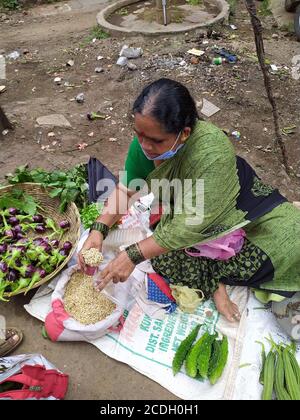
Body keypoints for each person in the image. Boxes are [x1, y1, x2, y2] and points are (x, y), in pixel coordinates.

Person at [78, 78, 300, 323]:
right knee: (164, 254)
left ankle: (214, 281)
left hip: (242, 210)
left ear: (184, 134)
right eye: (139, 135)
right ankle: (215, 280)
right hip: (191, 216)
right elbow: (126, 189)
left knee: (291, 239)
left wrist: (132, 255)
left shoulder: (212, 152)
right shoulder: (144, 146)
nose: (145, 146)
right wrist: (98, 229)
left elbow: (191, 224)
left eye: (156, 140)